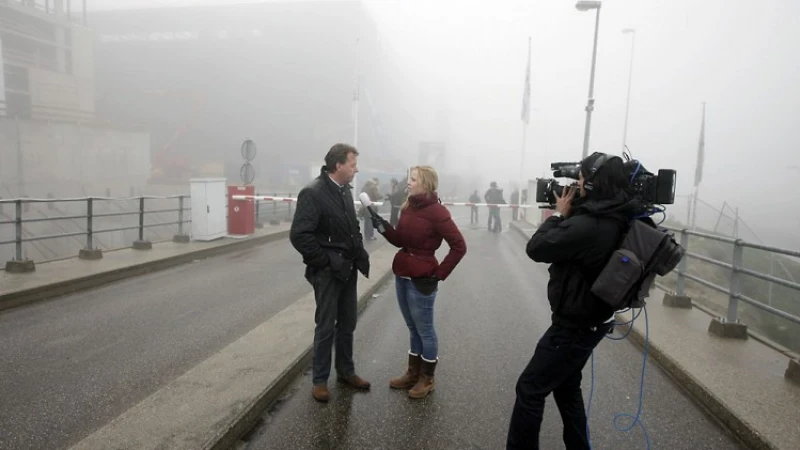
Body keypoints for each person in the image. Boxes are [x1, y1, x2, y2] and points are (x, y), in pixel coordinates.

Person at [506, 152, 644, 449]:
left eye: (581, 179)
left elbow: (537, 248)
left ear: (593, 184)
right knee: (567, 388)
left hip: (574, 326)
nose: (577, 184)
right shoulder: (614, 215)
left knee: (530, 388)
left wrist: (557, 215)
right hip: (592, 320)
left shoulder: (590, 225)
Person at [371, 165, 467, 399]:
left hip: (422, 278)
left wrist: (439, 274)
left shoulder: (437, 212)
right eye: (409, 178)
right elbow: (401, 239)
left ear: (425, 182)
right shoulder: (408, 206)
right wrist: (382, 227)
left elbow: (459, 246)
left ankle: (427, 378)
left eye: (412, 179)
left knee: (425, 331)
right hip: (402, 274)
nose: (408, 182)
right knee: (413, 327)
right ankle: (413, 373)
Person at [290, 143, 372, 403]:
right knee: (326, 326)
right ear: (338, 165)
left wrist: (358, 251)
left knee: (347, 323)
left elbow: (352, 228)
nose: (356, 169)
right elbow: (299, 235)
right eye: (352, 164)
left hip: (348, 268)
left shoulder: (345, 191)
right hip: (327, 273)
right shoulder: (312, 193)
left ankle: (346, 372)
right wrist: (324, 261)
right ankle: (320, 381)